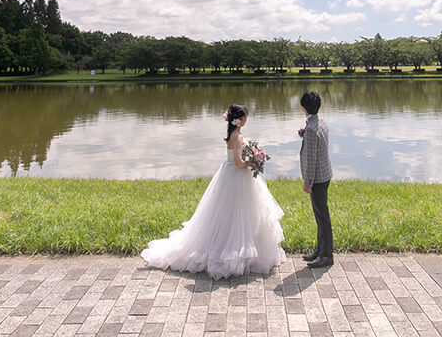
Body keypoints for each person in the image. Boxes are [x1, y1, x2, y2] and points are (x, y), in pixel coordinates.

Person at [141, 103, 286, 279]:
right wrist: (253, 163)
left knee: (226, 214)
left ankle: (227, 246)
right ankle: (236, 252)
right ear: (240, 120)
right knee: (241, 214)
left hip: (228, 175)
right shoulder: (239, 137)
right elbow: (238, 162)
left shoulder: (231, 135)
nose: (246, 119)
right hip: (237, 177)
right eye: (245, 117)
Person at [298, 90, 333, 268]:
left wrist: (307, 183)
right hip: (325, 174)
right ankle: (319, 251)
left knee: (322, 217)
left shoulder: (311, 129)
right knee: (320, 216)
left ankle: (327, 256)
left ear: (303, 107)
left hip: (317, 178)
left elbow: (311, 159)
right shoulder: (321, 123)